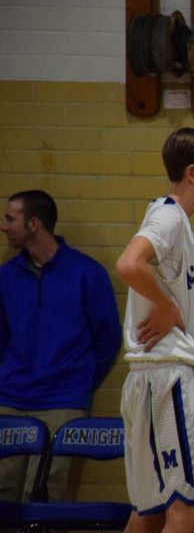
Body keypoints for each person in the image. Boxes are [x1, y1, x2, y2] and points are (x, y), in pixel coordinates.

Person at [114, 127, 194, 533]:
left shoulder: (169, 218)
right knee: (186, 514)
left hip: (145, 377)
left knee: (147, 515)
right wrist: (164, 306)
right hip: (166, 377)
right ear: (192, 172)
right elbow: (128, 264)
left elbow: (189, 314)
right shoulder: (168, 218)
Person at [0, 190, 121, 502]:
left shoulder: (86, 273)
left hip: (62, 402)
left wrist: (78, 383)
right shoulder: (6, 276)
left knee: (42, 495)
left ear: (35, 224)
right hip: (10, 399)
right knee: (4, 493)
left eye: (10, 218)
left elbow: (109, 339)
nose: (4, 226)